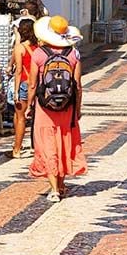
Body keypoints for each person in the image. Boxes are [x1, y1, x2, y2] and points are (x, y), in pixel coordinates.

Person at [27, 15, 87, 202]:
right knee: (63, 143)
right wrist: (77, 109)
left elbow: (32, 84)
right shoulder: (73, 54)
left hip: (45, 108)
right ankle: (61, 185)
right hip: (66, 107)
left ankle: (54, 189)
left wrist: (29, 105)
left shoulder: (38, 54)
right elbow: (77, 84)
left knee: (47, 145)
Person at [9, 19, 39, 159]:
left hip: (24, 85)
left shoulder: (19, 48)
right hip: (38, 85)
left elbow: (18, 71)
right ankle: (37, 147)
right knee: (38, 118)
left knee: (21, 118)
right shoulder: (39, 47)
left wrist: (15, 92)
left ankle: (17, 149)